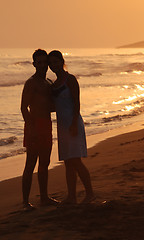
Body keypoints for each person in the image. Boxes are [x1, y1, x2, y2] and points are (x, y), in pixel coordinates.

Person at [48, 50, 94, 204]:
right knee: (68, 162)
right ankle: (72, 196)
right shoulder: (54, 84)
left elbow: (77, 102)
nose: (53, 65)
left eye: (56, 62)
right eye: (51, 63)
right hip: (62, 126)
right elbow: (54, 106)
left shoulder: (70, 79)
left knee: (76, 161)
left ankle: (90, 193)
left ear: (62, 61)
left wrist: (74, 123)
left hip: (73, 123)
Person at [21, 49, 58, 210]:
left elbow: (49, 106)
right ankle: (25, 202)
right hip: (34, 125)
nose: (43, 65)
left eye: (45, 62)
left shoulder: (49, 82)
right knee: (30, 163)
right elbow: (23, 108)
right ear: (34, 64)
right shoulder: (31, 82)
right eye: (39, 62)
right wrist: (31, 128)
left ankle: (44, 197)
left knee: (45, 162)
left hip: (47, 125)